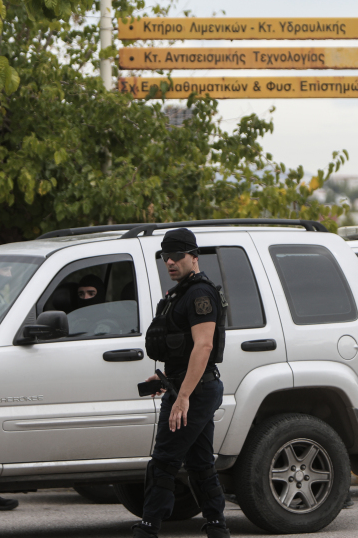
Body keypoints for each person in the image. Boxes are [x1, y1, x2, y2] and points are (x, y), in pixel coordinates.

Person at [134, 228, 229, 538]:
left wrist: (183, 396)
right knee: (200, 460)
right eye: (165, 257)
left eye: (177, 256)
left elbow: (203, 347)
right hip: (187, 386)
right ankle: (217, 526)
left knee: (164, 460)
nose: (170, 262)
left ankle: (148, 528)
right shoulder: (181, 293)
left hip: (196, 391)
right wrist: (166, 379)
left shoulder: (200, 295)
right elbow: (184, 348)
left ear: (194, 257)